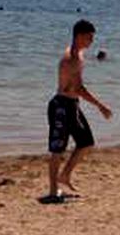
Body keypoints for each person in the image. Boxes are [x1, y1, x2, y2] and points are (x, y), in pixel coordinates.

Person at [43, 20, 112, 204]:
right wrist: (100, 106)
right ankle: (52, 191)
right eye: (89, 37)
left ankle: (64, 176)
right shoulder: (71, 59)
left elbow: (77, 89)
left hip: (72, 105)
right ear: (79, 35)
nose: (91, 41)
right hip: (61, 106)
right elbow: (79, 88)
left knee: (86, 142)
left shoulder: (79, 54)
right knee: (57, 149)